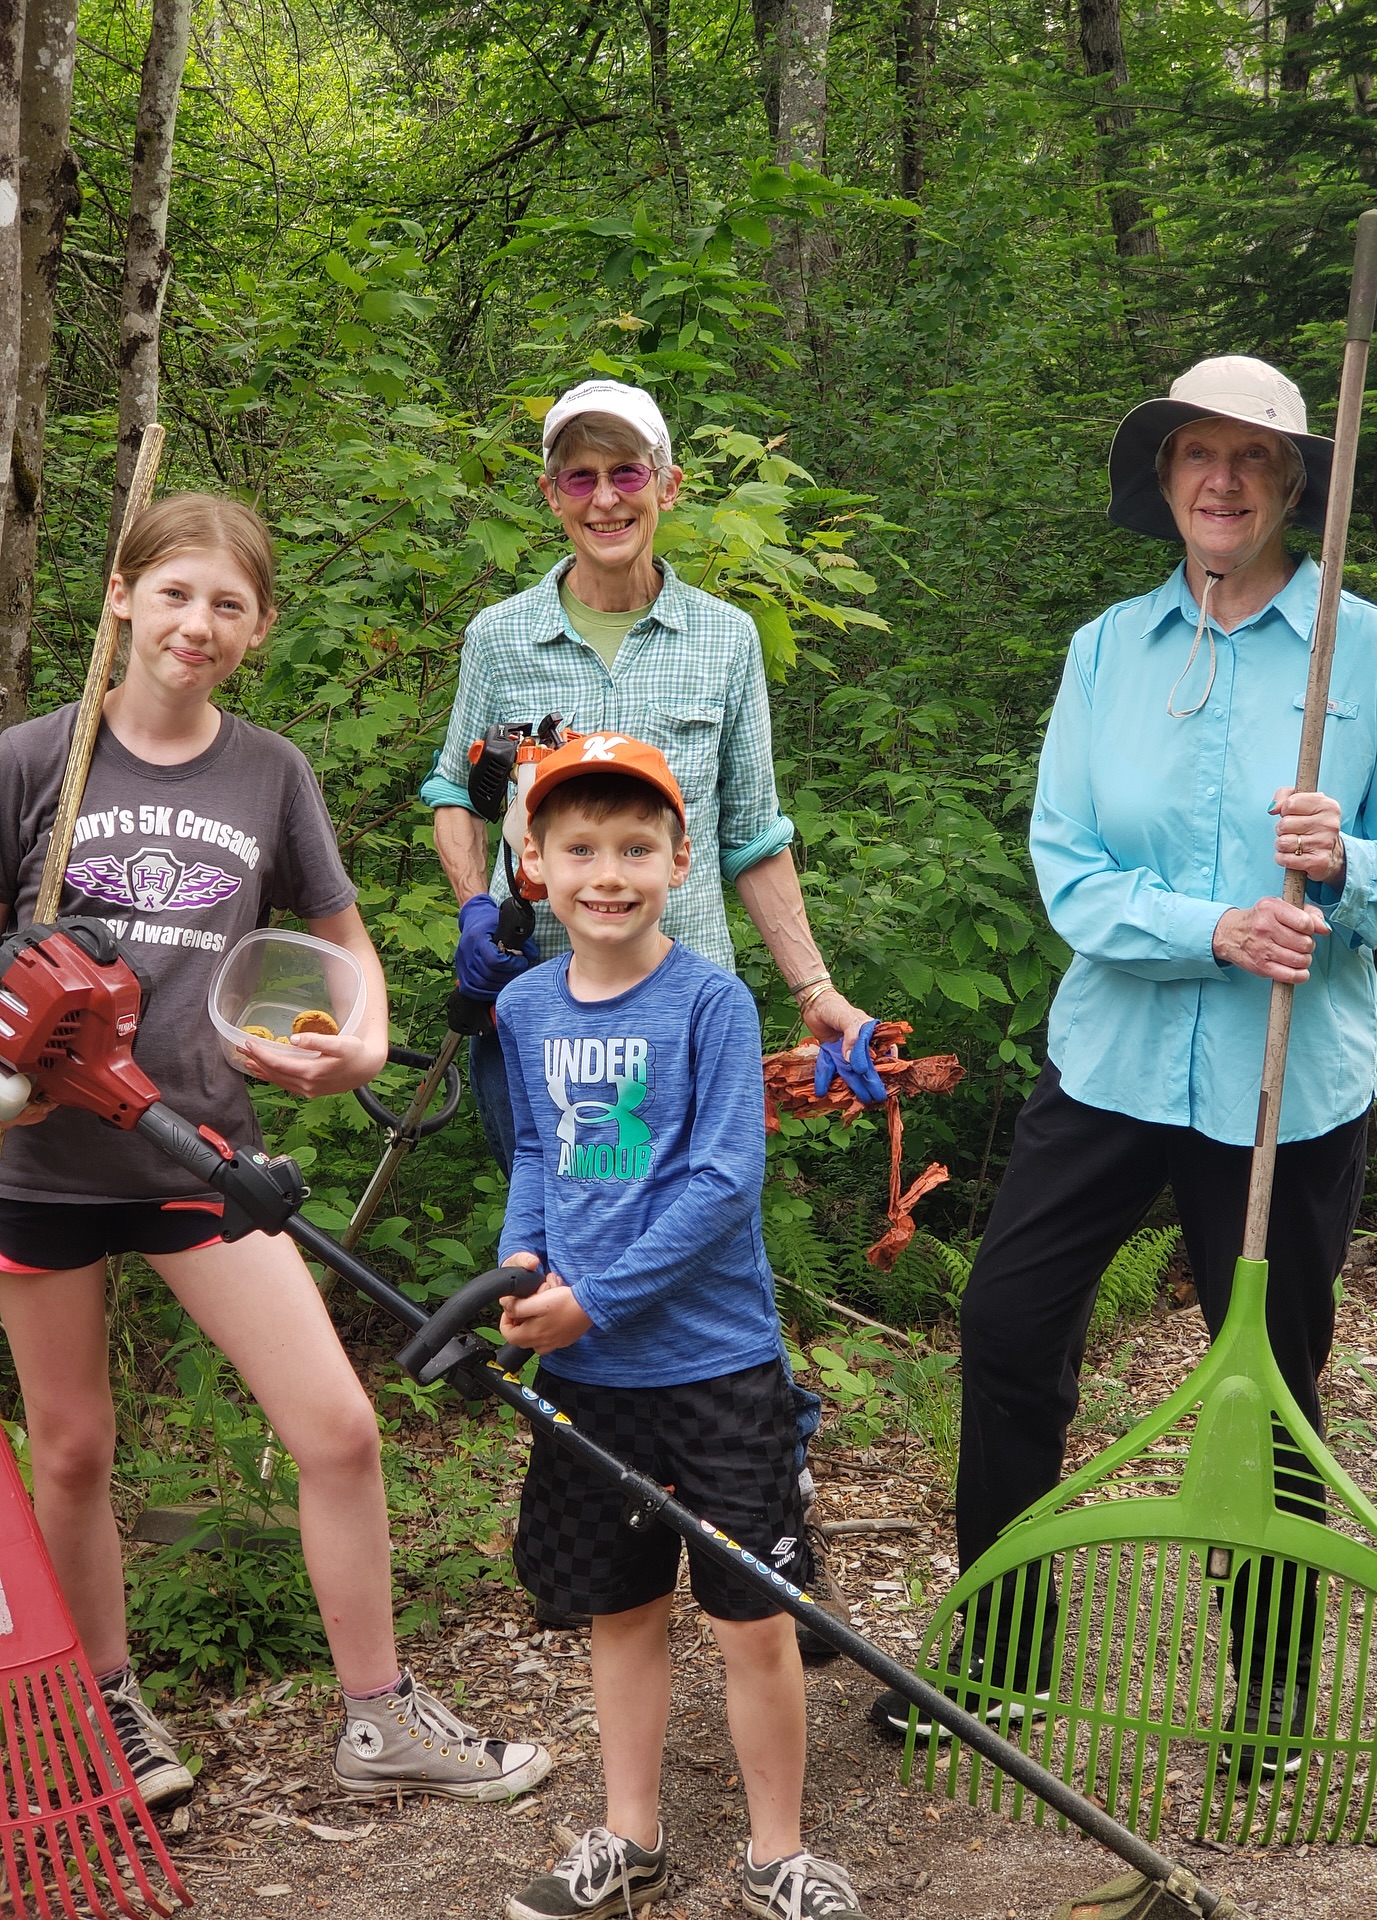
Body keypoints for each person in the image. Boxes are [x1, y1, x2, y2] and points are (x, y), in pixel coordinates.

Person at [868, 355, 1377, 1768]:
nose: (1224, 479)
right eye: (1199, 452)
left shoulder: (1370, 656)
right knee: (1006, 1332)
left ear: (1296, 482)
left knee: (1272, 1380)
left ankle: (1272, 1699)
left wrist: (1351, 865)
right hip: (1113, 1067)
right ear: (1167, 477)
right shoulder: (1106, 651)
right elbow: (1067, 869)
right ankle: (999, 1666)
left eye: (1253, 456)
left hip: (1285, 1089)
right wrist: (1216, 927)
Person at [0, 494, 550, 1811]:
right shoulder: (31, 761)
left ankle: (382, 1721)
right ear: (122, 597)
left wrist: (356, 1048)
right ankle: (109, 1712)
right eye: (175, 593)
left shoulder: (269, 771)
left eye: (228, 604)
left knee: (340, 1428)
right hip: (37, 1173)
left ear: (258, 628)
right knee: (71, 1450)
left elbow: (346, 943)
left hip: (203, 1158)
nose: (198, 624)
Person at [423, 377, 868, 1647]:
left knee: (709, 1243)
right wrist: (479, 912)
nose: (605, 498)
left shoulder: (724, 641)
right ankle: (614, 1539)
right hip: (542, 1014)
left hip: (686, 1024)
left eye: (629, 475)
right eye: (580, 476)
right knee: (566, 1229)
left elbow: (754, 834)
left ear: (668, 488)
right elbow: (456, 788)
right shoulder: (500, 638)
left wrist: (816, 990)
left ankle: (755, 1525)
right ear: (552, 495)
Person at [490, 730, 867, 1920]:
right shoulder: (525, 1004)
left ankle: (777, 1854)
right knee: (621, 1606)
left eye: (637, 847)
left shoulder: (711, 1000)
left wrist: (594, 1296)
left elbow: (721, 1182)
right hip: (588, 1377)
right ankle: (629, 1834)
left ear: (682, 858)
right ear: (536, 866)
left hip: (713, 1368)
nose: (610, 871)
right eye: (581, 847)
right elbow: (543, 1152)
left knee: (753, 1618)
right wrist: (519, 1262)